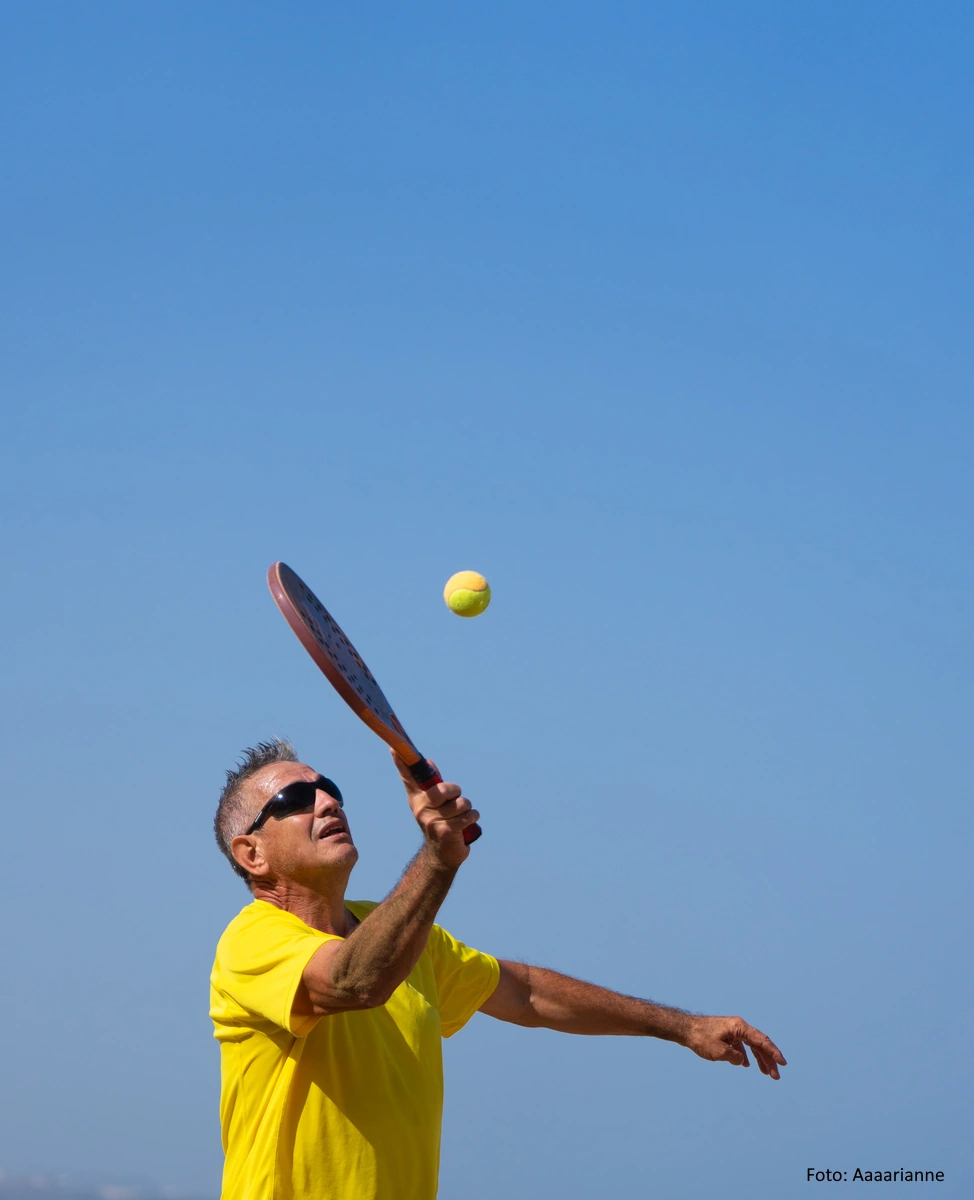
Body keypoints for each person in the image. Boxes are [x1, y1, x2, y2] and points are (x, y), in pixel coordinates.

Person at [211, 739, 786, 1200]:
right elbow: (354, 982)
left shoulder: (405, 940)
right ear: (252, 854)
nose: (327, 803)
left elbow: (529, 993)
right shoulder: (252, 942)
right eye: (293, 800)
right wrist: (439, 859)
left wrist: (684, 1027)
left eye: (328, 789)